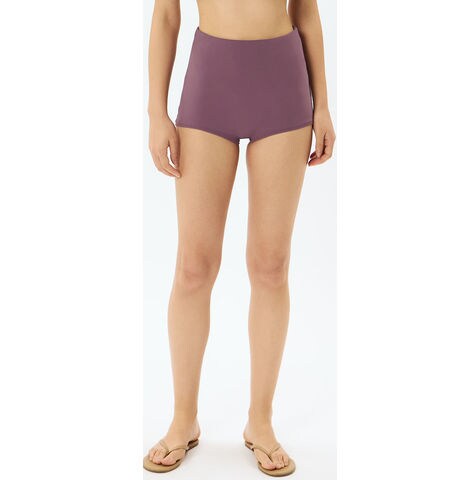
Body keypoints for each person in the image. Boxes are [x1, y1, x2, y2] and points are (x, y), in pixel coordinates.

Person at [144, 0, 335, 476]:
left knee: (271, 267)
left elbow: (306, 12)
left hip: (282, 85)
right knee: (194, 268)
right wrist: (155, 112)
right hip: (210, 83)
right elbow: (166, 16)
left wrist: (324, 106)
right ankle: (183, 419)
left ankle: (260, 421)